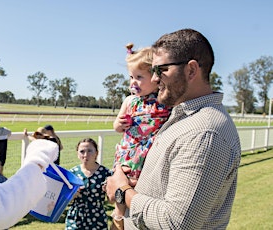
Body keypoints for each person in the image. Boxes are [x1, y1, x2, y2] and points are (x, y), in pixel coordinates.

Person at [105, 28, 242, 229]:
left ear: (191, 70)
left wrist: (122, 192)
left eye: (161, 70)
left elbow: (177, 223)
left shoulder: (204, 133)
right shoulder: (181, 117)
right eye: (152, 71)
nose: (153, 79)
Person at [110, 43, 171, 229]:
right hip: (130, 151)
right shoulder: (130, 101)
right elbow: (117, 127)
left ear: (155, 78)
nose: (133, 82)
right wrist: (119, 124)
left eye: (139, 77)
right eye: (131, 77)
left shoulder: (164, 101)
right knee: (124, 183)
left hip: (150, 153)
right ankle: (118, 218)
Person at [65, 138, 110, 230]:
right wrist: (72, 194)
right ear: (77, 154)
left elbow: (112, 201)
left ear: (96, 153)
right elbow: (65, 201)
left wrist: (108, 192)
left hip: (97, 217)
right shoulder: (72, 174)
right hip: (76, 217)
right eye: (82, 151)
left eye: (90, 151)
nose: (86, 155)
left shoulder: (105, 173)